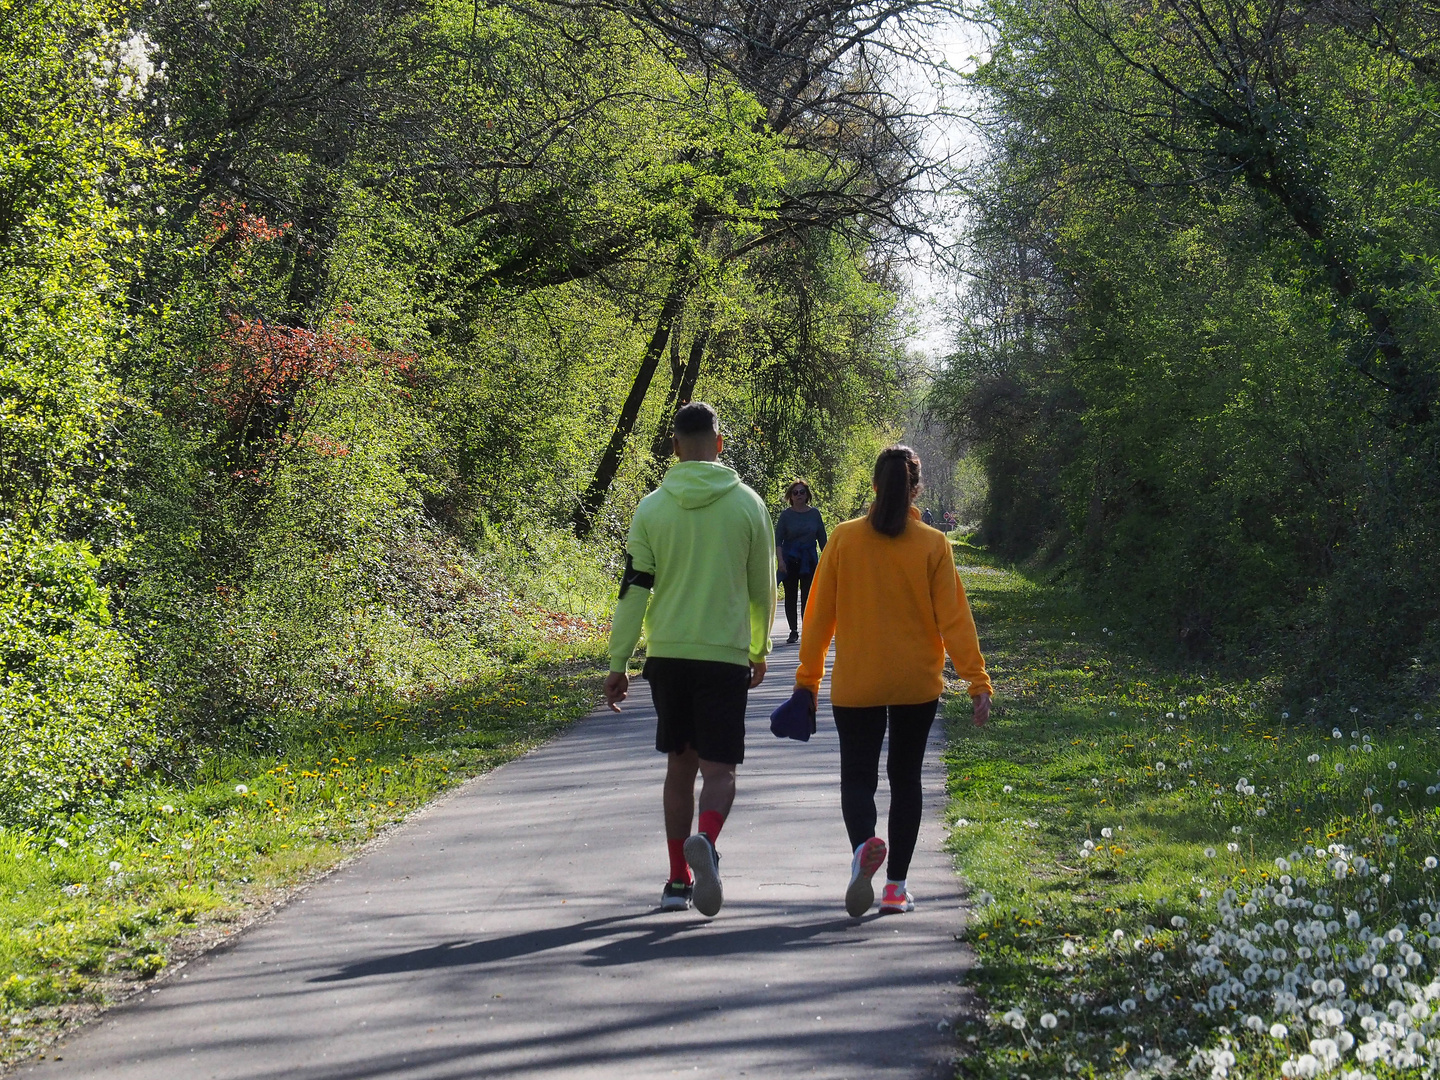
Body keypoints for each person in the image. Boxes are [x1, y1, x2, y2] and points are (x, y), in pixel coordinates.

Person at [795, 445, 992, 917]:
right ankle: (896, 888)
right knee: (906, 781)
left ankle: (865, 845)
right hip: (915, 683)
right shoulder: (932, 544)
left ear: (875, 487)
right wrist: (976, 680)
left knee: (857, 779)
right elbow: (955, 619)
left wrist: (808, 680)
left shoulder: (843, 539)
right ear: (915, 489)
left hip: (857, 684)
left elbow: (818, 616)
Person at [604, 402, 776, 916]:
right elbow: (761, 589)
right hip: (723, 655)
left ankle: (678, 881)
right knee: (719, 771)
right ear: (719, 444)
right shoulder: (748, 505)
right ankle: (708, 837)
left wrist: (618, 661)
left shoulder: (651, 507)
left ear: (675, 446)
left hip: (669, 655)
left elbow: (634, 589)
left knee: (680, 768)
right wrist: (758, 647)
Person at [774, 480, 828, 644]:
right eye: (795, 493)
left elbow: (823, 540)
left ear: (807, 495)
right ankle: (793, 631)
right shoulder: (786, 516)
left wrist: (826, 562)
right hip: (790, 560)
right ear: (790, 496)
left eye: (802, 492)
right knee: (790, 596)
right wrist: (781, 561)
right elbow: (778, 541)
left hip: (809, 560)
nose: (799, 495)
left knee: (808, 597)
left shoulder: (815, 514)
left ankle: (808, 629)